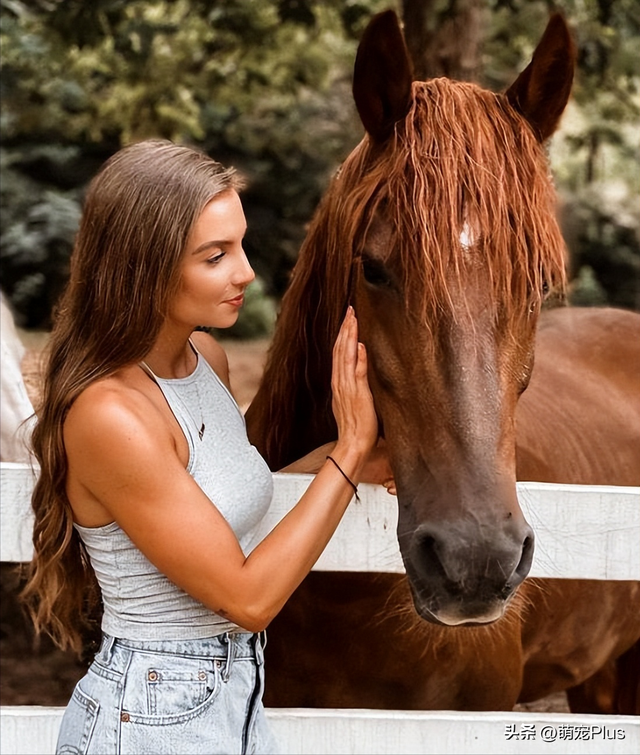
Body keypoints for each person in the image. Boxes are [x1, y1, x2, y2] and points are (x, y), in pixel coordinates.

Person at [21, 139, 390, 754]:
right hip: (149, 714)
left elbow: (223, 496)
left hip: (231, 699)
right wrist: (348, 455)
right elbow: (248, 598)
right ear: (145, 265)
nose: (245, 271)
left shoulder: (205, 362)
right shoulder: (110, 415)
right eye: (215, 256)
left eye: (239, 245)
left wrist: (365, 455)